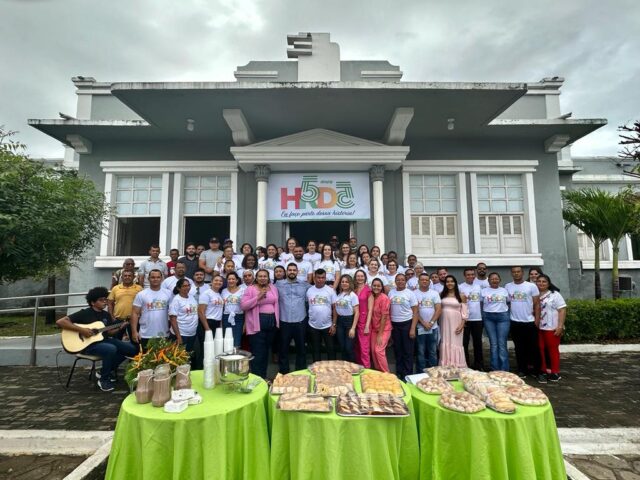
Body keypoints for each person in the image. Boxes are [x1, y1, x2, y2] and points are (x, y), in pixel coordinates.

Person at [56, 287, 136, 392]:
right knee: (110, 349)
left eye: (105, 299)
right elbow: (61, 322)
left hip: (104, 341)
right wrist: (82, 330)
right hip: (87, 345)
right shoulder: (84, 313)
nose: (105, 302)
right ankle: (104, 379)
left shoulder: (106, 315)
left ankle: (104, 371)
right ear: (93, 302)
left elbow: (108, 332)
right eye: (101, 300)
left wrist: (121, 327)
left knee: (131, 349)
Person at [241, 269, 279, 379]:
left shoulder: (273, 288)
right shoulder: (250, 289)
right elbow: (243, 306)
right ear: (256, 278)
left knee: (266, 352)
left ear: (268, 277)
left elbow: (276, 303)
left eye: (265, 276)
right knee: (258, 354)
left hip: (271, 324)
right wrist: (257, 297)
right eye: (260, 276)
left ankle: (264, 377)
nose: (263, 278)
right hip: (256, 326)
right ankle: (257, 378)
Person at [506, 266, 541, 378]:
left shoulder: (531, 286)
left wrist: (537, 320)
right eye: (514, 272)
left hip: (529, 321)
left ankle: (536, 370)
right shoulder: (508, 286)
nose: (516, 274)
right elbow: (507, 303)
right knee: (519, 347)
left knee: (533, 347)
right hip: (515, 322)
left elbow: (537, 304)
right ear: (512, 274)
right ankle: (522, 369)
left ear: (522, 273)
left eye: (518, 272)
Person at [275, 263, 311, 373]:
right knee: (283, 349)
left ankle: (300, 372)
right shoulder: (278, 284)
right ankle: (284, 373)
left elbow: (316, 291)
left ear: (297, 271)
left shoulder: (305, 285)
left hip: (300, 321)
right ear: (286, 271)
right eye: (289, 270)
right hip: (284, 321)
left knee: (301, 349)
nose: (292, 272)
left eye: (294, 270)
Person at [130, 270, 172, 349]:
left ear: (161, 279)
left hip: (164, 333)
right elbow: (134, 313)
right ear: (148, 279)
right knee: (147, 359)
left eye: (158, 277)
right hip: (146, 334)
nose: (155, 279)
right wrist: (134, 331)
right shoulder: (141, 294)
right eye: (153, 277)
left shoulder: (169, 294)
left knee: (163, 360)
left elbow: (173, 314)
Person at [536, 274, 566, 383]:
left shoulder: (555, 295)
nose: (541, 283)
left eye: (544, 281)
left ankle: (555, 372)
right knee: (540, 349)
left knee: (553, 350)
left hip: (552, 328)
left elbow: (562, 310)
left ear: (548, 283)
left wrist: (560, 326)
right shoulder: (535, 295)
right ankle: (543, 370)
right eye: (539, 281)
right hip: (538, 327)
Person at [388, 273, 419, 378]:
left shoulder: (410, 293)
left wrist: (412, 328)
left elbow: (415, 312)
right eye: (398, 280)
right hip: (394, 325)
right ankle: (399, 373)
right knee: (398, 350)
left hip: (407, 324)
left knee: (407, 351)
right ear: (395, 281)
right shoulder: (391, 292)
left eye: (402, 280)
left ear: (405, 281)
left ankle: (408, 375)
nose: (400, 281)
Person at [481, 273, 510, 371]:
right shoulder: (484, 291)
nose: (494, 280)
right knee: (493, 343)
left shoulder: (504, 290)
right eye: (492, 279)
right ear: (488, 280)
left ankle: (504, 369)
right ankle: (494, 368)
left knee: (502, 343)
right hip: (488, 317)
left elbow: (509, 302)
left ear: (500, 280)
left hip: (503, 317)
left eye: (496, 278)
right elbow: (481, 304)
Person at [306, 269, 337, 362]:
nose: (320, 280)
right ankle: (317, 371)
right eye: (318, 277)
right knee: (315, 350)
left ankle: (332, 371)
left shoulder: (330, 290)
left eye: (323, 277)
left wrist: (334, 324)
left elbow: (335, 308)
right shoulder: (309, 290)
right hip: (313, 325)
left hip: (328, 325)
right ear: (314, 278)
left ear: (325, 278)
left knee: (331, 350)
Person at [439, 275, 468, 368]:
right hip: (444, 323)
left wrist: (462, 325)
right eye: (447, 281)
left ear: (455, 283)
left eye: (452, 281)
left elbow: (465, 312)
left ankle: (457, 366)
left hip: (456, 323)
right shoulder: (441, 295)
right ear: (445, 283)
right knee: (445, 341)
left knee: (456, 344)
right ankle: (446, 365)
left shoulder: (461, 296)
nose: (449, 283)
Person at [459, 267, 485, 371]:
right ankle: (466, 365)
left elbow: (482, 302)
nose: (470, 276)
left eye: (472, 274)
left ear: (474, 275)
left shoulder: (479, 287)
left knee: (477, 343)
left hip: (477, 319)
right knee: (464, 343)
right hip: (465, 319)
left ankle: (479, 365)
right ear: (465, 276)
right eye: (468, 275)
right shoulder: (460, 287)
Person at [414, 273, 441, 370]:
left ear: (429, 282)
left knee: (432, 351)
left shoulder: (434, 293)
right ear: (418, 281)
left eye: (426, 280)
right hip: (419, 327)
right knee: (420, 351)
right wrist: (423, 322)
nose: (424, 281)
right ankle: (421, 372)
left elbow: (438, 309)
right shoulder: (414, 293)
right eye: (422, 280)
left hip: (433, 328)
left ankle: (433, 372)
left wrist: (431, 323)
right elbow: (414, 311)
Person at [168, 278, 202, 354]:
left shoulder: (191, 297)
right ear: (178, 288)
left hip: (192, 334)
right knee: (179, 358)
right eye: (184, 286)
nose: (187, 287)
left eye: (188, 285)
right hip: (181, 334)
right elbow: (173, 319)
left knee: (188, 356)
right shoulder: (176, 300)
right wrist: (178, 337)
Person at [107, 270, 143, 340]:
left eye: (129, 276)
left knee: (136, 341)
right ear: (122, 277)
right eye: (125, 276)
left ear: (133, 277)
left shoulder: (139, 288)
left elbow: (143, 304)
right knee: (117, 341)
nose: (127, 277)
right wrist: (111, 316)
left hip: (134, 320)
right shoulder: (115, 288)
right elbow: (110, 303)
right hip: (118, 320)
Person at [366, 278, 392, 372]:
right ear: (371, 286)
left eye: (378, 286)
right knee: (373, 351)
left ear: (382, 287)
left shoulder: (384, 298)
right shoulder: (371, 296)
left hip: (384, 329)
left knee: (378, 350)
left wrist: (380, 334)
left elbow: (384, 317)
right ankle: (378, 372)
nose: (376, 287)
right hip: (374, 329)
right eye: (374, 285)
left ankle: (387, 374)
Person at [333, 275, 359, 362]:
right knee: (342, 347)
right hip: (340, 322)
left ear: (350, 283)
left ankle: (353, 368)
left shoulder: (353, 295)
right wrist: (334, 324)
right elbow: (336, 311)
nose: (344, 283)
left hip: (349, 322)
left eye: (346, 282)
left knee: (349, 348)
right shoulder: (338, 295)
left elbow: (357, 313)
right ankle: (345, 369)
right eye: (342, 282)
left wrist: (353, 328)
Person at [353, 270, 373, 368]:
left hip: (364, 321)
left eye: (361, 276)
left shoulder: (368, 290)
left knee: (364, 349)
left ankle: (366, 371)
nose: (359, 278)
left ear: (365, 277)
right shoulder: (354, 289)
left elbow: (370, 310)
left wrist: (367, 326)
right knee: (356, 348)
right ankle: (359, 369)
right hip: (354, 320)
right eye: (358, 276)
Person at [221, 272, 245, 348]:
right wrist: (221, 323)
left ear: (237, 280)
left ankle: (235, 358)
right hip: (226, 317)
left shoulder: (243, 290)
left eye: (233, 279)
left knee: (237, 342)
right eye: (229, 279)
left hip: (239, 317)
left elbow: (246, 307)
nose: (231, 281)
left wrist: (245, 324)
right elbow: (221, 307)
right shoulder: (223, 291)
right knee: (227, 341)